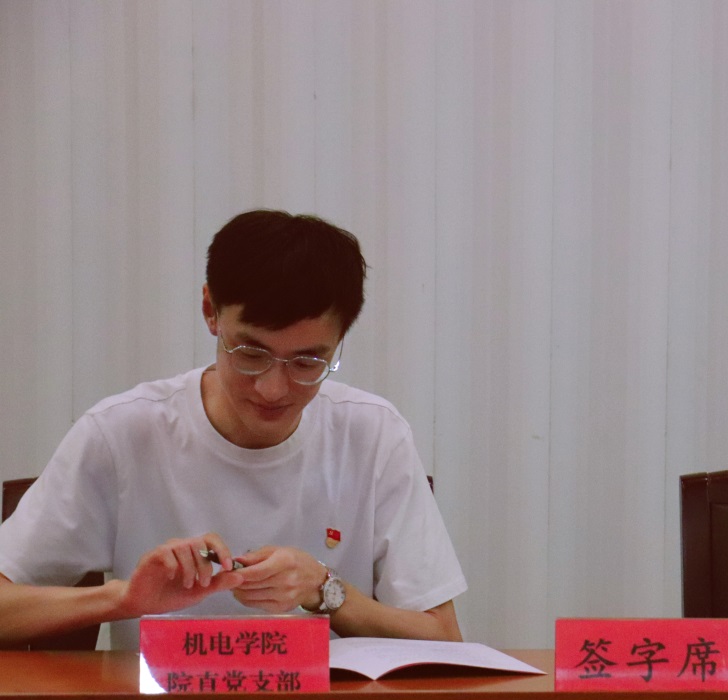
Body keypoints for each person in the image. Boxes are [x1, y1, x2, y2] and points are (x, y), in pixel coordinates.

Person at [0, 209, 466, 650]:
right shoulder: (122, 434)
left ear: (339, 340)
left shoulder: (373, 435)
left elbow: (443, 637)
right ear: (211, 311)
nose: (272, 389)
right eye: (250, 353)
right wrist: (124, 599)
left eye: (307, 362)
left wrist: (325, 589)